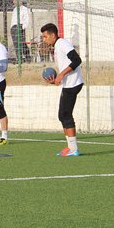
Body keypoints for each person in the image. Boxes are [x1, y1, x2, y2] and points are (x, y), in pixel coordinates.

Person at [40, 22, 84, 157]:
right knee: (62, 115)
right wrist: (57, 80)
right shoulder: (57, 45)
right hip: (68, 84)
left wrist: (61, 75)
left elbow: (77, 60)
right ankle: (70, 147)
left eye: (45, 36)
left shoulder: (63, 44)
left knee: (66, 115)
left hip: (73, 84)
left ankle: (74, 149)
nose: (44, 39)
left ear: (53, 35)